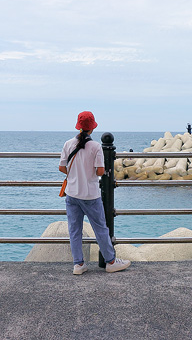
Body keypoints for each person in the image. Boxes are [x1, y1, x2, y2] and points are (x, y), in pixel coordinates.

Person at [59, 111, 130, 275]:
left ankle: (78, 264)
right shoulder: (96, 146)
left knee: (74, 230)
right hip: (90, 195)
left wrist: (76, 173)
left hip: (72, 194)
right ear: (92, 128)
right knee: (101, 229)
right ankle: (110, 261)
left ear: (78, 127)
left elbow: (62, 167)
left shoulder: (68, 144)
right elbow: (100, 171)